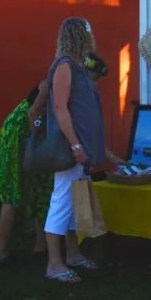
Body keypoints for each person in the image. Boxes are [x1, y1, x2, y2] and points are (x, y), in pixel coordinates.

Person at [42, 20, 124, 284]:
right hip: (70, 150)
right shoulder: (64, 65)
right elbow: (60, 108)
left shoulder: (78, 66)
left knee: (72, 205)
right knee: (61, 202)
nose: (93, 38)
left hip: (83, 151)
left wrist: (104, 153)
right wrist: (76, 145)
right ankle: (54, 264)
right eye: (89, 34)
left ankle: (73, 255)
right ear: (80, 36)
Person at [0, 80, 52, 266]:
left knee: (40, 184)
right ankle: (0, 251)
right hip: (20, 133)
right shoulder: (50, 83)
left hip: (25, 130)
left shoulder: (63, 79)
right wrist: (39, 138)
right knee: (13, 189)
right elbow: (35, 113)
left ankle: (41, 245)